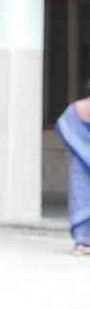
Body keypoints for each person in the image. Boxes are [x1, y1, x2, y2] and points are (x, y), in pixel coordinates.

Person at [55, 94, 90, 256]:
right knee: (81, 197)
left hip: (80, 158)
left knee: (81, 198)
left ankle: (82, 242)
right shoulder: (76, 108)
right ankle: (82, 241)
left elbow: (64, 127)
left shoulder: (76, 108)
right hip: (81, 162)